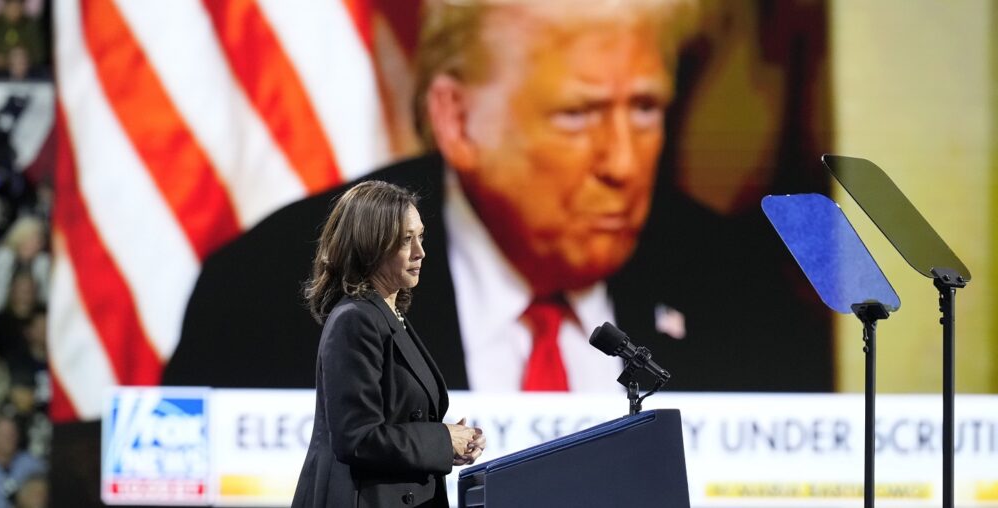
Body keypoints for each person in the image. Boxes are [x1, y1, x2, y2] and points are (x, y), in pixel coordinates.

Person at [169, 0, 832, 393]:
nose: (624, 164)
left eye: (646, 108)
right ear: (458, 121)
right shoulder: (282, 297)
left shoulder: (745, 294)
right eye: (579, 115)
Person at [290, 181, 484, 508]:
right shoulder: (355, 320)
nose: (420, 252)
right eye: (406, 240)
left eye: (420, 237)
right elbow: (357, 437)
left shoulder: (389, 316)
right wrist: (441, 440)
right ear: (372, 246)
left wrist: (450, 443)